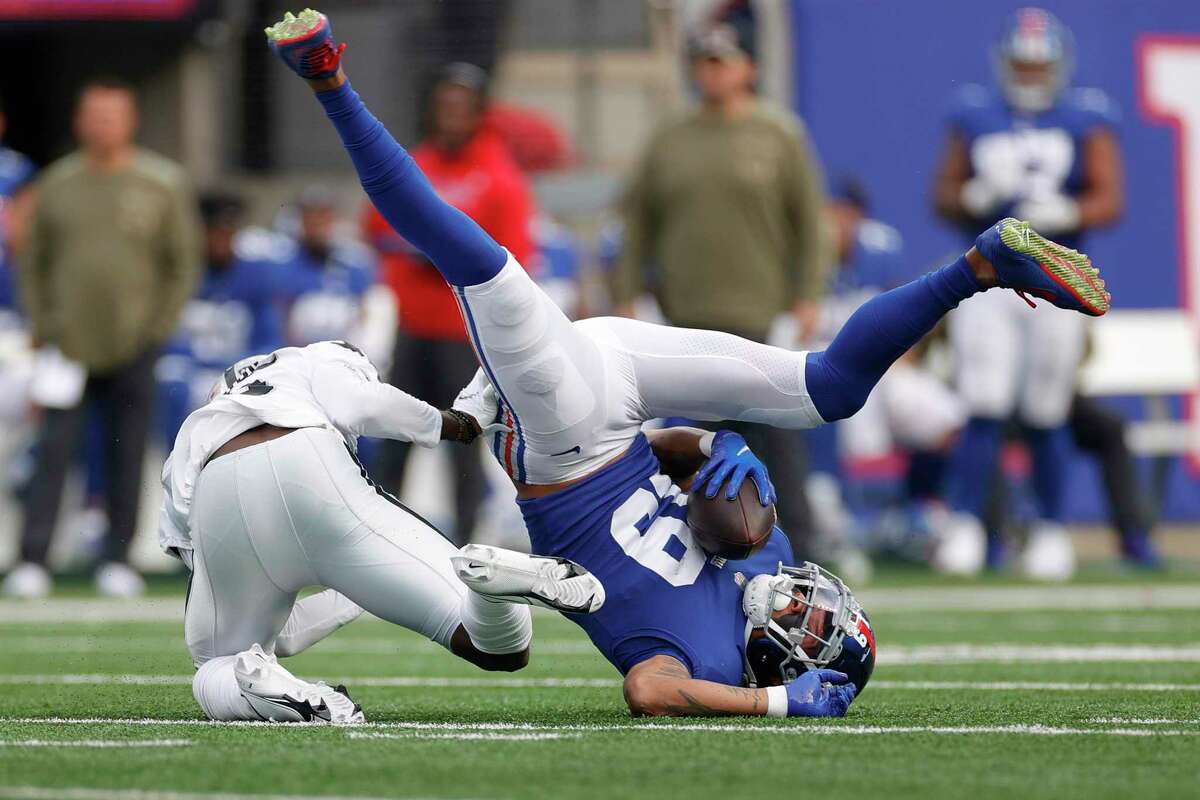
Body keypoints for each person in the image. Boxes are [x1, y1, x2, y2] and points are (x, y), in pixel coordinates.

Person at [267, 8, 1108, 718]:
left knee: (476, 259)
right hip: (623, 403)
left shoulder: (706, 657)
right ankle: (980, 268)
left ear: (785, 664)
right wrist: (704, 447)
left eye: (811, 633)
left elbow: (646, 688)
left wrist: (771, 706)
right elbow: (672, 478)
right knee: (828, 388)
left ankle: (330, 82)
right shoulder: (761, 566)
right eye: (823, 613)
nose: (804, 605)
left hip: (567, 428)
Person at [613, 22, 828, 561]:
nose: (711, 71)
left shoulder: (779, 134)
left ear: (748, 68)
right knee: (690, 442)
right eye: (703, 61)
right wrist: (627, 291)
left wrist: (807, 295)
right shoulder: (671, 137)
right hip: (687, 316)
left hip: (760, 310)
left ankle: (800, 544)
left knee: (777, 436)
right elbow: (638, 222)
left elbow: (810, 223)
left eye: (723, 61)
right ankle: (689, 547)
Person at [933, 8, 1124, 573]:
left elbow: (1109, 197)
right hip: (990, 278)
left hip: (1055, 276)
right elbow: (942, 193)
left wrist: (1069, 207)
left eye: (1040, 65)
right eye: (1022, 63)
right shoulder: (974, 111)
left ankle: (1048, 529)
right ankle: (967, 524)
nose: (1031, 74)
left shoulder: (1085, 115)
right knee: (983, 401)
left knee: (1046, 409)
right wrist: (971, 196)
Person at [6, 78, 201, 599]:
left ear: (130, 121)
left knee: (128, 449)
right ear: (79, 121)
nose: (102, 125)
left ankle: (117, 557)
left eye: (112, 116)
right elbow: (32, 260)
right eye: (93, 115)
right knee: (53, 452)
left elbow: (181, 265)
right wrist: (45, 323)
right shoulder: (57, 183)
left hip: (137, 342)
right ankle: (33, 558)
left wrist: (157, 327)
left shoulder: (161, 182)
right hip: (65, 345)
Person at [365, 62, 535, 544]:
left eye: (462, 107)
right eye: (445, 106)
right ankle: (383, 537)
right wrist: (409, 250)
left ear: (479, 113)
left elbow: (514, 257)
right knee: (398, 434)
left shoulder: (497, 173)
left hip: (464, 332)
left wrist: (443, 254)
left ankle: (466, 543)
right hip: (414, 324)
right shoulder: (416, 161)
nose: (451, 116)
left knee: (461, 440)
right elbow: (377, 227)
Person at [156, 192, 287, 447]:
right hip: (189, 367)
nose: (220, 241)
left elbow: (269, 337)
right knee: (171, 381)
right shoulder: (182, 274)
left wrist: (240, 368)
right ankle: (176, 463)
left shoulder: (254, 275)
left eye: (228, 234)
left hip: (234, 367)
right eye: (214, 233)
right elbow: (164, 334)